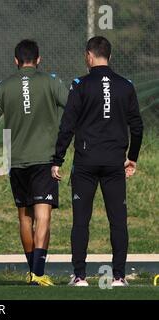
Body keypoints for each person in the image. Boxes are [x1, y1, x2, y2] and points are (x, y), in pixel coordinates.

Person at [0, 39, 68, 286]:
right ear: (39, 59)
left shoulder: (4, 87)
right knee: (43, 215)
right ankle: (39, 273)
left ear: (15, 61)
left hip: (17, 162)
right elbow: (74, 107)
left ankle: (32, 271)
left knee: (25, 217)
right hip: (45, 160)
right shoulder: (51, 81)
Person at [51, 36, 144, 287]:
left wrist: (57, 159)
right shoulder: (126, 85)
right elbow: (137, 127)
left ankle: (80, 276)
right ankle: (118, 276)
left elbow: (67, 125)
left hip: (85, 162)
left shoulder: (80, 84)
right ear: (110, 57)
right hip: (115, 163)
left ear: (89, 56)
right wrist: (132, 157)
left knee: (81, 220)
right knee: (118, 220)